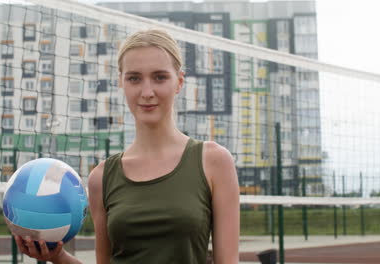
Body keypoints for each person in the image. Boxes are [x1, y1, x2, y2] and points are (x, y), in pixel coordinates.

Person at [14, 28, 240, 264]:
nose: (147, 92)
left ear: (179, 82)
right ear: (121, 82)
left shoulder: (213, 161)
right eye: (134, 78)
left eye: (160, 77)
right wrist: (58, 256)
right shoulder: (101, 177)